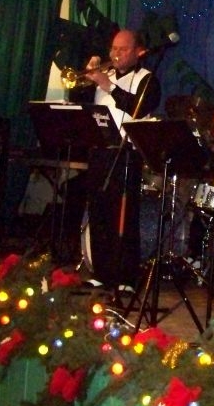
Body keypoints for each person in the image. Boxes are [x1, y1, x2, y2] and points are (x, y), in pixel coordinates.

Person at [69, 29, 161, 290]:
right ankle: (101, 272)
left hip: (127, 153)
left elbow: (139, 108)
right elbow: (78, 101)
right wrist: (89, 78)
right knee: (98, 212)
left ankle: (125, 277)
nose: (116, 54)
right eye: (114, 48)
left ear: (138, 52)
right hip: (99, 150)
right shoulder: (103, 75)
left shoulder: (147, 79)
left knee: (122, 215)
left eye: (123, 49)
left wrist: (107, 86)